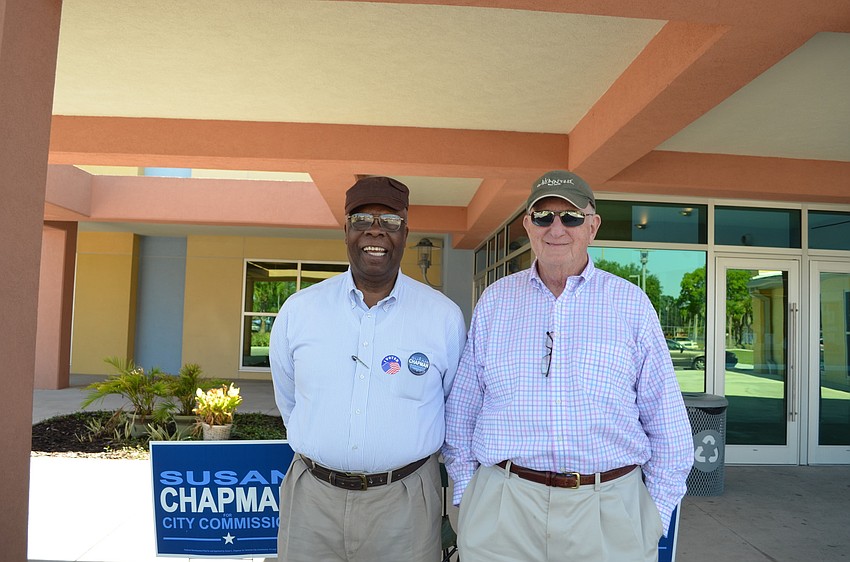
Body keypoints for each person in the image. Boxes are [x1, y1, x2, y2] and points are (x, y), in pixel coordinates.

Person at [443, 170, 693, 561]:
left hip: (608, 510)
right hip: (503, 508)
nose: (556, 227)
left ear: (592, 227)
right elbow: (463, 409)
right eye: (543, 216)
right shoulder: (495, 301)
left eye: (571, 217)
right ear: (528, 225)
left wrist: (653, 516)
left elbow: (667, 422)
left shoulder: (630, 304)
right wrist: (466, 494)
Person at [269, 175, 467, 562]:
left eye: (390, 221)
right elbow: (289, 400)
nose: (375, 231)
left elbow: (454, 408)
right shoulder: (300, 310)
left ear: (405, 233)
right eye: (362, 220)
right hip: (313, 499)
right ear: (346, 230)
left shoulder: (442, 317)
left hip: (406, 502)